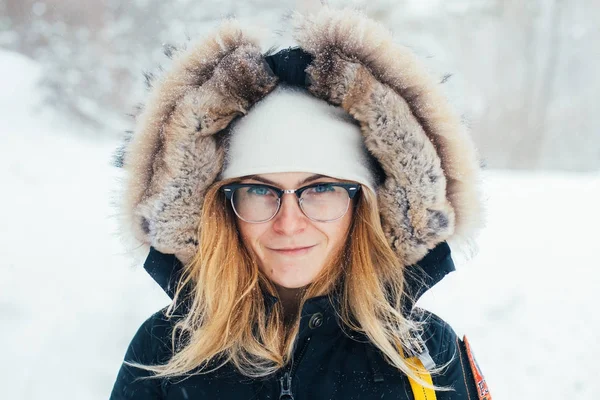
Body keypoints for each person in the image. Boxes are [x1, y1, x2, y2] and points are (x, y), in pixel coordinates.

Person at [111, 7, 490, 400]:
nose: (289, 224)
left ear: (362, 204)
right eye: (259, 190)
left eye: (320, 189)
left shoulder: (425, 353)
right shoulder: (164, 349)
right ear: (221, 208)